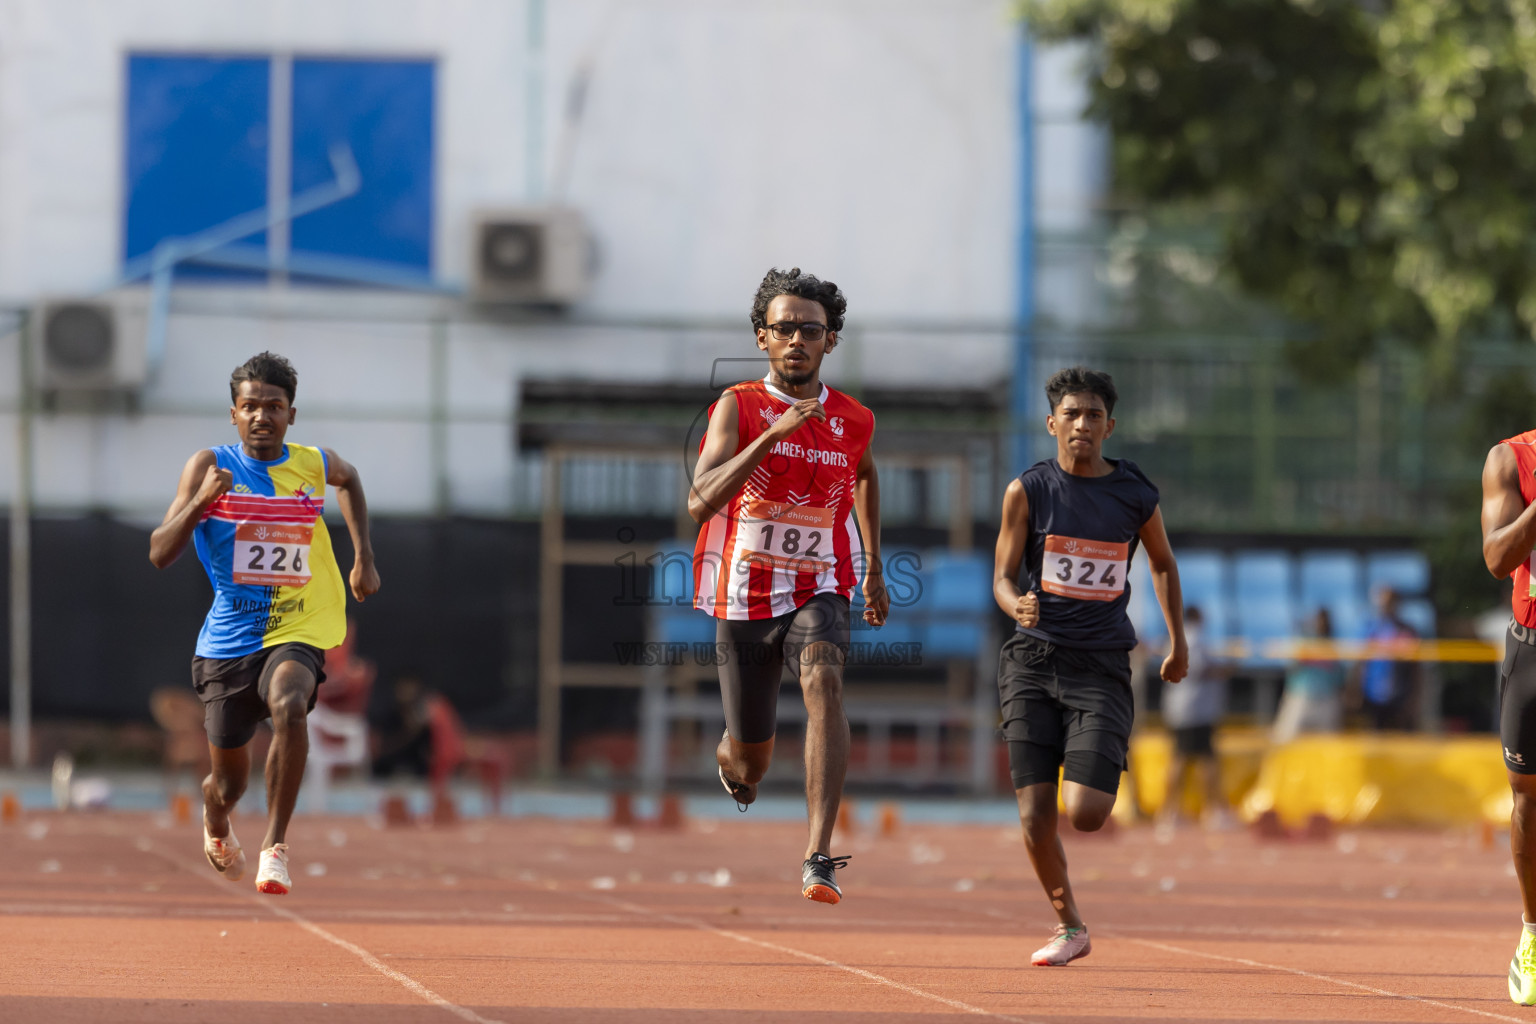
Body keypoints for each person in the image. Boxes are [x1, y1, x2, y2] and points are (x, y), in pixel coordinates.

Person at [688, 267, 887, 905]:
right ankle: (733, 755)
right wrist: (769, 438)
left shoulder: (854, 419)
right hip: (743, 592)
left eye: (811, 329)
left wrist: (875, 562)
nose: (796, 339)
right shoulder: (737, 406)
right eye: (783, 329)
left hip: (820, 582)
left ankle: (818, 854)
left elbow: (864, 475)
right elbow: (699, 499)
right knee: (750, 766)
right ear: (762, 338)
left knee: (824, 679)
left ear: (831, 341)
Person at [149, 352, 379, 895]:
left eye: (273, 406)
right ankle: (215, 817)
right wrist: (202, 500)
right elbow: (159, 552)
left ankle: (274, 848)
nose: (261, 416)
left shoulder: (313, 464)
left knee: (290, 702)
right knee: (227, 784)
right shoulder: (208, 464)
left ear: (290, 415)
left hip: (296, 624)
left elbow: (350, 479)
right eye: (250, 406)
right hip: (229, 641)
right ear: (234, 413)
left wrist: (363, 556)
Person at [992, 366, 1187, 966]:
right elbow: (1001, 575)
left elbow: (1160, 563)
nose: (1082, 424)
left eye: (1093, 415)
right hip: (1031, 659)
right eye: (1071, 414)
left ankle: (1090, 763)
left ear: (1109, 426)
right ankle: (1069, 925)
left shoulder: (1134, 493)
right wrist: (1013, 602)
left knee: (1087, 814)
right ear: (1052, 424)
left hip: (1100, 666)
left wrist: (1178, 640)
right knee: (1033, 814)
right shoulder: (1027, 490)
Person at [1478, 430, 1536, 1004]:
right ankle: (1533, 933)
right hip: (1533, 646)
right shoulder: (1510, 459)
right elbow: (1497, 558)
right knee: (1528, 796)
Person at [1157, 606, 1228, 828]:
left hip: (1180, 708)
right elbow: (1197, 669)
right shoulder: (1194, 638)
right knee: (1203, 760)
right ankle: (1210, 811)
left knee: (1181, 758)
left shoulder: (1175, 637)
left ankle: (1171, 811)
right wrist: (1225, 670)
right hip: (1195, 710)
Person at [1271, 607, 1345, 745]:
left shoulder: (1334, 647)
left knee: (1328, 746)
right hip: (1301, 698)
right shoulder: (1302, 643)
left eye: (1325, 621)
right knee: (1284, 742)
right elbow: (1290, 666)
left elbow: (1340, 677)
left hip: (1327, 700)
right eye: (1319, 620)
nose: (1322, 624)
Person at [1354, 586, 1421, 730]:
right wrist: (1356, 691)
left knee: (1401, 744)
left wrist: (1414, 697)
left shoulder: (1407, 631)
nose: (1385, 605)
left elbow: (1416, 668)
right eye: (1383, 601)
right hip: (1372, 696)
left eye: (1390, 601)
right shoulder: (1370, 629)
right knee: (1375, 745)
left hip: (1400, 696)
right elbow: (1361, 664)